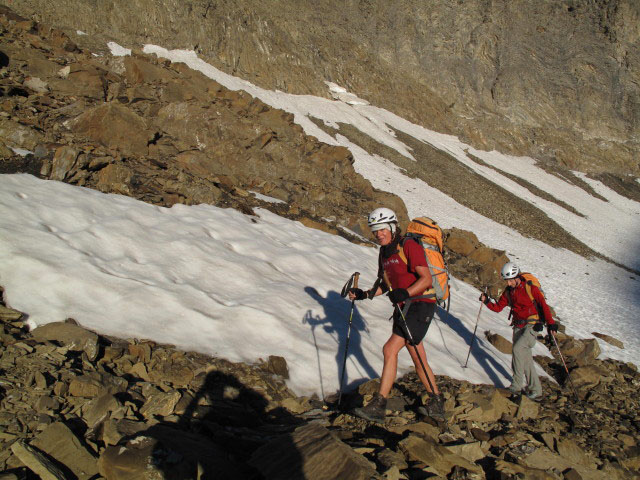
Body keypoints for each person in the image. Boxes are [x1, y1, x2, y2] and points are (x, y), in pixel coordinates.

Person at [347, 207, 444, 423]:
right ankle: (436, 401)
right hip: (404, 306)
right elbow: (386, 284)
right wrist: (364, 294)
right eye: (375, 231)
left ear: (392, 227)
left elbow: (426, 279)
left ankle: (380, 404)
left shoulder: (408, 246)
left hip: (420, 304)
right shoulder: (384, 252)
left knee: (390, 348)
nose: (379, 234)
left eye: (382, 229)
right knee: (417, 355)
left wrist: (405, 292)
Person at [479, 262, 558, 400]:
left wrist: (551, 324)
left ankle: (516, 386)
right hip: (517, 326)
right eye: (506, 281)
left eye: (510, 280)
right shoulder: (509, 291)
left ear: (517, 277)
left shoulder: (530, 289)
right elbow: (498, 308)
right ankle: (536, 391)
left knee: (517, 349)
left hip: (532, 325)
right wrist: (486, 301)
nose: (508, 283)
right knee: (525, 359)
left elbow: (543, 306)